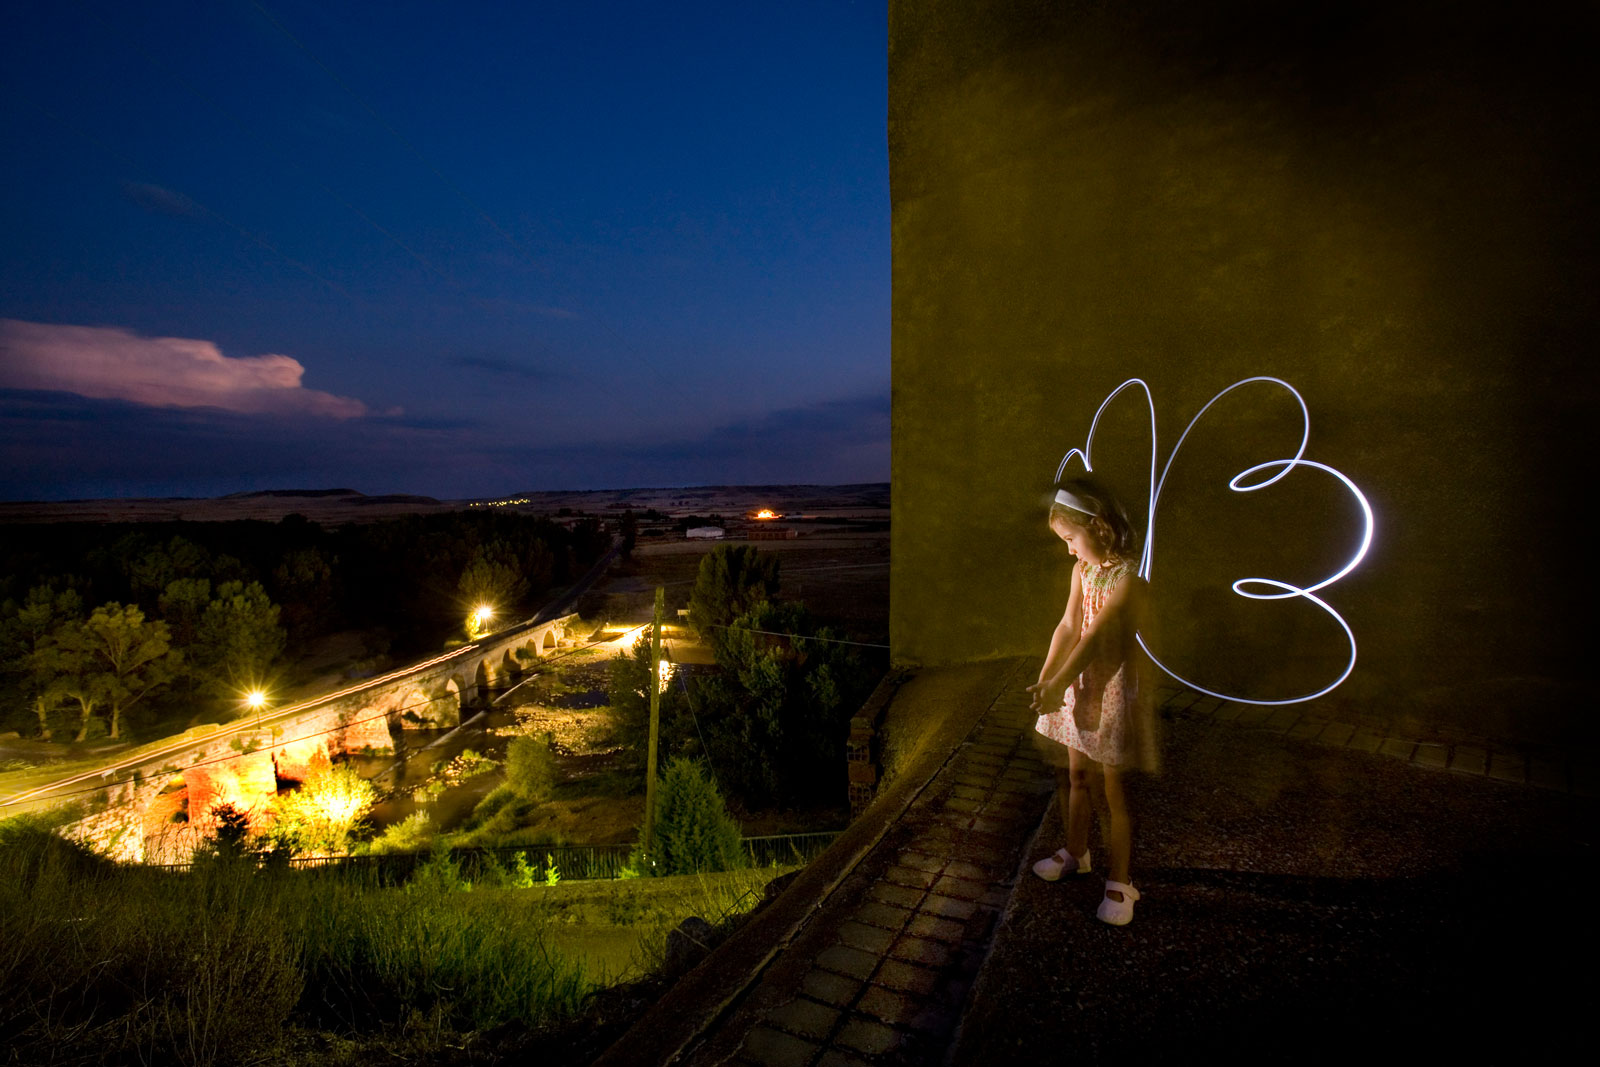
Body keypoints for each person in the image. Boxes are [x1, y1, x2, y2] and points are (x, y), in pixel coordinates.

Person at [1026, 476, 1157, 926]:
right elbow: (1069, 625)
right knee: (1076, 776)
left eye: (1070, 538)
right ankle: (1076, 853)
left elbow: (1097, 637)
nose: (1068, 550)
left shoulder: (1129, 581)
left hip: (1111, 687)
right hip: (1076, 683)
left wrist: (1061, 678)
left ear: (1098, 527)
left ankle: (1120, 883)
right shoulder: (1081, 570)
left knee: (1112, 791)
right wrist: (1048, 676)